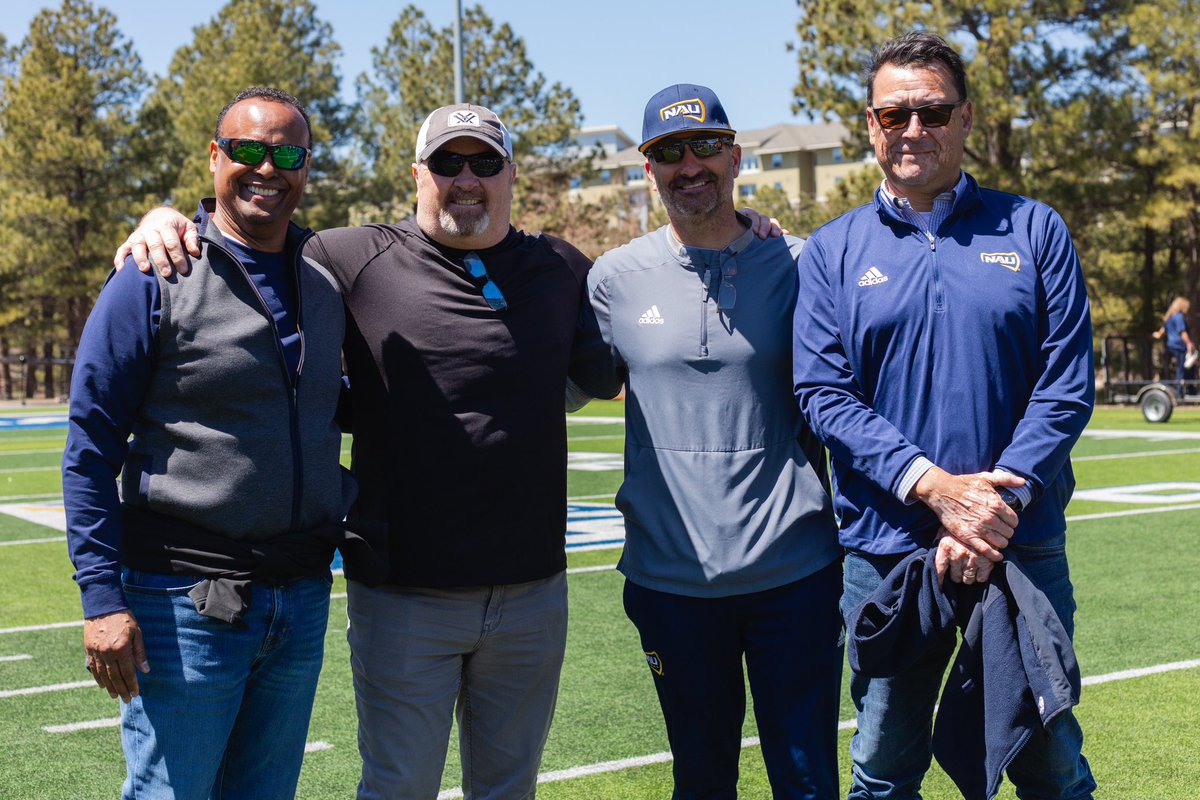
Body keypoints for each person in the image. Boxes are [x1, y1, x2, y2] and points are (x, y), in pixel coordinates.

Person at [791, 32, 1097, 799]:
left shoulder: (1033, 230)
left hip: (1020, 543)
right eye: (895, 116)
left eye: (931, 112)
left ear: (964, 120)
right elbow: (824, 392)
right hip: (886, 551)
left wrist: (995, 504)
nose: (913, 130)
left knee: (1051, 762)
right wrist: (934, 489)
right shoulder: (831, 252)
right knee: (884, 765)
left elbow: (1065, 384)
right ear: (871, 126)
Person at [64, 87, 364, 799]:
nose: (267, 168)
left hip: (298, 597)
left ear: (307, 168)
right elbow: (90, 445)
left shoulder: (325, 283)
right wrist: (101, 600)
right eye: (248, 150)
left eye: (287, 154)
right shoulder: (155, 273)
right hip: (182, 602)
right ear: (214, 157)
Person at [572, 84, 843, 799]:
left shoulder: (802, 262)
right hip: (671, 582)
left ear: (735, 156)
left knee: (809, 783)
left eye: (705, 147)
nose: (689, 165)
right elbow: (555, 387)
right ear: (647, 168)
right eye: (668, 152)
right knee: (700, 782)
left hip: (796, 575)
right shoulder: (614, 279)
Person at [1152, 296, 1195, 397]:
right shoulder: (1178, 316)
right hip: (1179, 345)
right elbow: (1182, 332)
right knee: (1183, 368)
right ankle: (1180, 392)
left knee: (1185, 367)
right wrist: (1189, 344)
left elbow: (1161, 332)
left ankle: (1187, 389)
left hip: (1171, 345)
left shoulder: (1170, 317)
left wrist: (1156, 335)